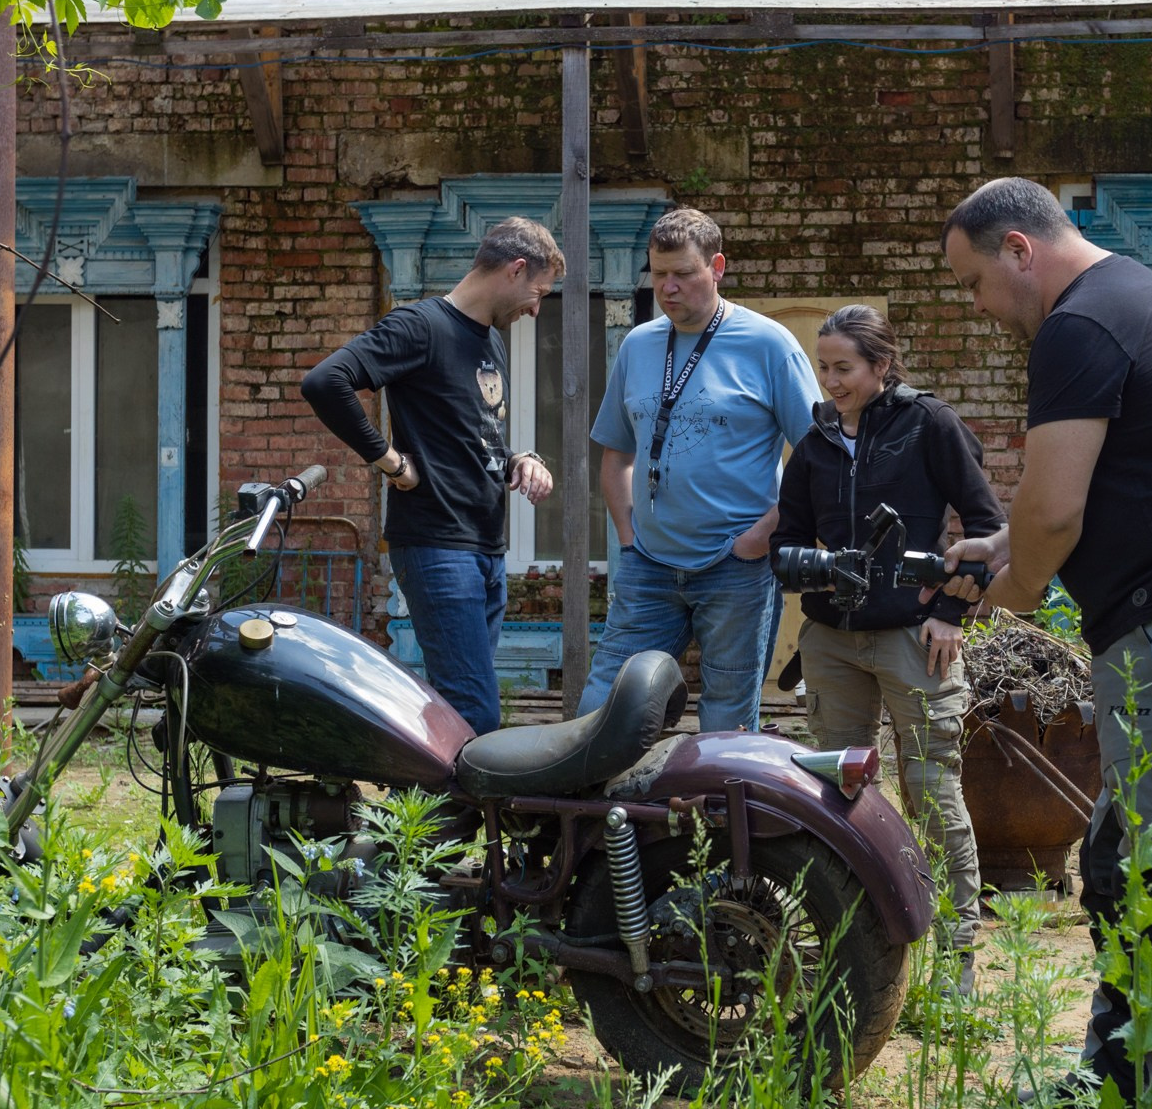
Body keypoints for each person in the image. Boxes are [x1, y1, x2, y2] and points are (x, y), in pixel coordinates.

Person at [936, 177, 1152, 1106]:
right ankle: (1124, 1075)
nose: (978, 307)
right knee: (1116, 860)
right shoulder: (1127, 299)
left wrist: (1009, 588)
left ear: (1019, 250)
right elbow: (1104, 487)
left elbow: (1056, 512)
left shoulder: (1079, 324)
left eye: (975, 283)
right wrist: (1002, 547)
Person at [774, 305, 1002, 980]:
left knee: (931, 789)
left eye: (843, 367)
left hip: (915, 635)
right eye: (823, 367)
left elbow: (986, 522)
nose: (831, 381)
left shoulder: (929, 424)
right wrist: (815, 567)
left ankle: (955, 957)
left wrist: (952, 613)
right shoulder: (814, 443)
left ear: (881, 365)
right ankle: (855, 947)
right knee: (834, 793)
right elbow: (787, 540)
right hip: (832, 641)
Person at [303, 217, 562, 735]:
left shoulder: (490, 342)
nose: (536, 309)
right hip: (438, 546)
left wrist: (519, 460)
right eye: (539, 294)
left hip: (486, 549)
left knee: (457, 709)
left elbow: (474, 435)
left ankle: (426, 789)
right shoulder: (419, 326)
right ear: (515, 270)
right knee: (475, 713)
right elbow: (325, 381)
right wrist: (390, 462)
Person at [583, 209, 818, 733]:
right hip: (648, 564)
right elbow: (616, 455)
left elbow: (819, 461)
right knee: (601, 711)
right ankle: (612, 793)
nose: (668, 288)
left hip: (736, 567)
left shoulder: (770, 344)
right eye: (658, 274)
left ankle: (719, 794)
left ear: (717, 267)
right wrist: (628, 539)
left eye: (683, 274)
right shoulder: (638, 345)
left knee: (726, 723)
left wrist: (759, 540)